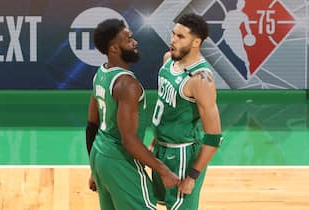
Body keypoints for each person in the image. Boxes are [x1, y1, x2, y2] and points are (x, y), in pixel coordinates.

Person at [86, 18, 180, 210]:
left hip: (100, 154)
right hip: (120, 160)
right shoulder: (127, 85)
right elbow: (128, 140)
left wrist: (95, 168)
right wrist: (164, 171)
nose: (135, 42)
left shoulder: (101, 74)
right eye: (128, 39)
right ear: (113, 48)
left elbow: (91, 125)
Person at [150, 13, 223, 210]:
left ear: (196, 42)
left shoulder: (201, 79)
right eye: (173, 34)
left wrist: (192, 176)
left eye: (180, 37)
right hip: (160, 149)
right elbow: (166, 108)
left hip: (181, 155)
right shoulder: (168, 60)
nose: (173, 39)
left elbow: (214, 137)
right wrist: (153, 142)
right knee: (159, 203)